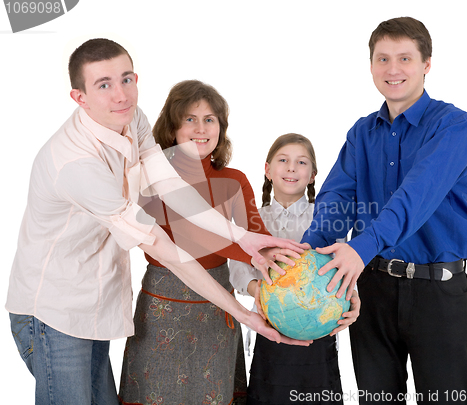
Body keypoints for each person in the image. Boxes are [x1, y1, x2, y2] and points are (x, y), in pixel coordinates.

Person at [6, 39, 308, 405]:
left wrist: (241, 237)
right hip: (54, 312)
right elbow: (164, 247)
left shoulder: (132, 118)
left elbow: (168, 183)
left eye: (126, 79)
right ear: (79, 97)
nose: (121, 95)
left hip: (94, 306)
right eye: (104, 84)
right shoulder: (77, 165)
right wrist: (242, 313)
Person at [301, 17, 467, 404]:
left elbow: (415, 196)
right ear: (371, 66)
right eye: (382, 59)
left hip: (437, 293)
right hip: (371, 288)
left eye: (405, 58)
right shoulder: (361, 133)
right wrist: (307, 252)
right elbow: (337, 198)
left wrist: (360, 247)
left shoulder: (454, 126)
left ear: (426, 64)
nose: (393, 69)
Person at [118, 80, 298, 405]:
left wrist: (298, 268)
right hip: (163, 308)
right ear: (172, 127)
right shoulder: (151, 176)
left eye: (210, 119)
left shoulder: (235, 180)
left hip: (217, 312)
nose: (201, 128)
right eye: (190, 119)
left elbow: (256, 237)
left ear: (221, 128)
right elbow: (184, 235)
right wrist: (252, 251)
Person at [230, 133, 361, 404]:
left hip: (319, 332)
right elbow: (238, 269)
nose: (291, 167)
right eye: (283, 160)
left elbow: (344, 266)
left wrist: (352, 296)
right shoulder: (252, 218)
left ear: (313, 175)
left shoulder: (327, 219)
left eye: (301, 162)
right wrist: (259, 291)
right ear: (267, 170)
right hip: (270, 327)